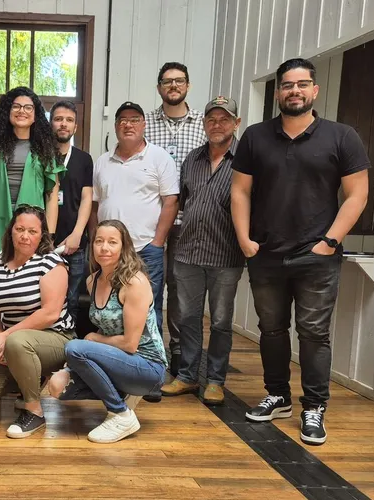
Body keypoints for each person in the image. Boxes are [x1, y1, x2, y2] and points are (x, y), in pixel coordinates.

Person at [231, 58, 370, 445]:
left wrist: (330, 241)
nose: (295, 91)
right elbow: (240, 191)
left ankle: (314, 406)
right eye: (287, 85)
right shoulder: (256, 137)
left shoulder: (341, 136)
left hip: (317, 256)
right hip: (266, 253)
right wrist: (244, 239)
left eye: (302, 84)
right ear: (278, 92)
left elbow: (357, 194)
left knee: (313, 334)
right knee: (271, 329)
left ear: (314, 90)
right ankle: (278, 396)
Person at [47, 220, 166, 443]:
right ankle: (123, 396)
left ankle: (120, 414)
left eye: (112, 242)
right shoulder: (92, 281)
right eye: (99, 241)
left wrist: (93, 339)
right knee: (57, 386)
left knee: (75, 347)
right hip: (117, 360)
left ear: (124, 247)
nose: (104, 248)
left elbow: (130, 344)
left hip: (147, 366)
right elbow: (105, 326)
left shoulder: (134, 282)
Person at [160, 96, 245, 405]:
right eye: (211, 119)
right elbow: (182, 202)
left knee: (220, 320)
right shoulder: (192, 159)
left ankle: (216, 380)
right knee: (187, 317)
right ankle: (187, 376)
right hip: (187, 253)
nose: (217, 125)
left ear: (236, 123)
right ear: (204, 124)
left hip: (226, 256)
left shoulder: (246, 161)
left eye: (224, 119)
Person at [0, 205, 75, 439]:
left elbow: (50, 313)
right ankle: (31, 379)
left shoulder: (51, 262)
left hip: (56, 338)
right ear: (10, 231)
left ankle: (34, 410)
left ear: (41, 235)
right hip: (16, 343)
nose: (25, 236)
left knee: (17, 342)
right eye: (20, 229)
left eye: (32, 231)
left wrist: (6, 337)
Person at [90, 101, 179, 375]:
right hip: (108, 252)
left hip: (145, 249)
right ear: (116, 126)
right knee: (107, 309)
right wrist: (97, 240)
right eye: (123, 120)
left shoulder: (159, 157)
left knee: (150, 311)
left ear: (144, 125)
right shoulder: (103, 161)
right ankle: (112, 367)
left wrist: (158, 242)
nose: (128, 124)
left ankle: (150, 371)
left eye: (134, 119)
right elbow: (95, 205)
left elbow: (171, 201)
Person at [144, 62, 207, 375]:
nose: (173, 86)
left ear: (188, 85)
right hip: (151, 220)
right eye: (167, 81)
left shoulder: (203, 124)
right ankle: (149, 349)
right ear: (159, 87)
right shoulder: (145, 123)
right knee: (148, 287)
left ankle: (180, 353)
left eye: (179, 80)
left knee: (181, 289)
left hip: (189, 221)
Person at [0, 86, 64, 264]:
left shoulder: (46, 150)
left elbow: (52, 196)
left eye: (28, 107)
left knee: (29, 280)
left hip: (33, 226)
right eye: (16, 106)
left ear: (35, 115)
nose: (22, 111)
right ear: (8, 111)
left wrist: (49, 237)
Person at [49, 100, 95, 316]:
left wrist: (77, 234)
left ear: (75, 127)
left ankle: (70, 339)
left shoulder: (84, 159)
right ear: (50, 124)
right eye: (58, 119)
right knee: (44, 299)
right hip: (43, 241)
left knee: (72, 300)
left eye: (69, 120)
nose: (63, 124)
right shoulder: (41, 157)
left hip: (75, 243)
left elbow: (87, 198)